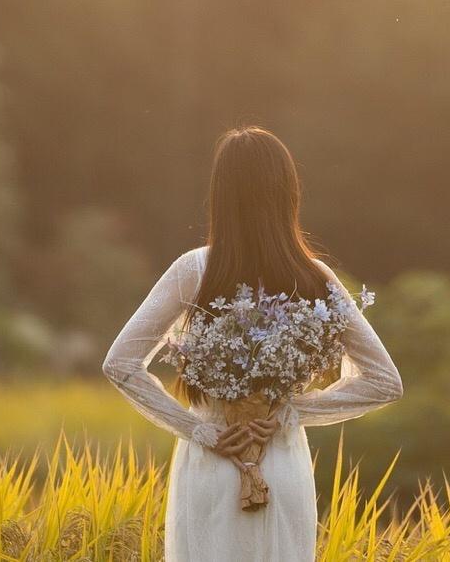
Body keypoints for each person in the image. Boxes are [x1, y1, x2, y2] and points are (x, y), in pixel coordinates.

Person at [103, 124, 404, 561]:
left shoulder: (194, 269)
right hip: (281, 466)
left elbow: (120, 363)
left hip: (213, 463)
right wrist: (289, 411)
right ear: (287, 195)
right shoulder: (314, 276)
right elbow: (384, 381)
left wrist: (201, 430)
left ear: (221, 196)